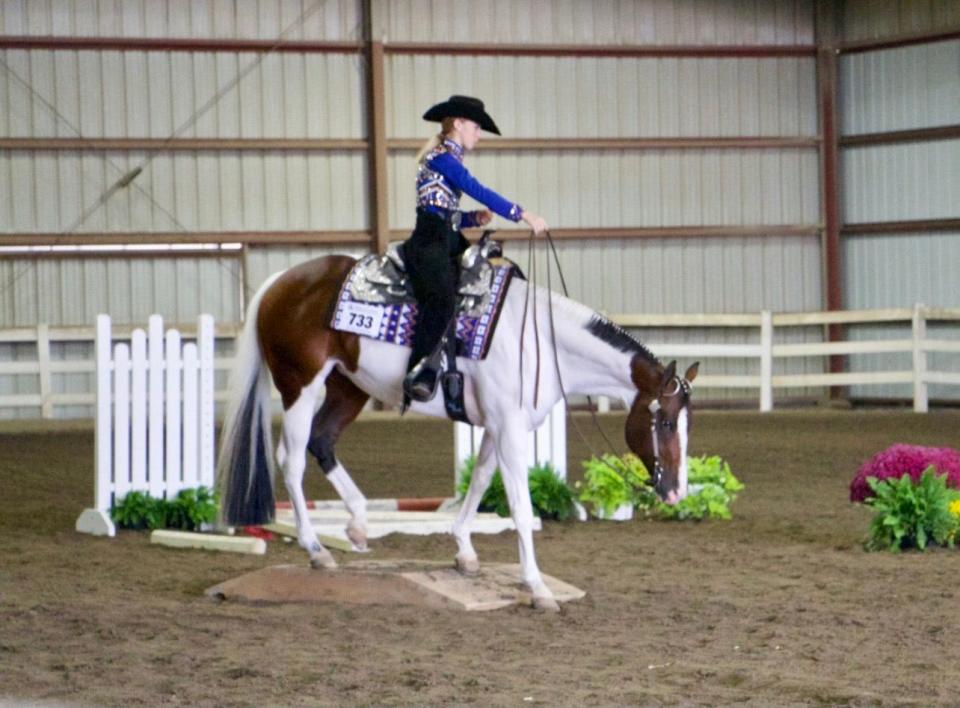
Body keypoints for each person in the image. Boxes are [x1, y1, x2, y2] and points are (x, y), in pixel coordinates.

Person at [401, 94, 548, 402]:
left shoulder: (447, 159)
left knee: (484, 278)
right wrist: (522, 214)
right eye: (476, 127)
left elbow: (440, 208)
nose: (478, 134)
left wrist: (470, 218)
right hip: (430, 240)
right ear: (458, 124)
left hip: (446, 235)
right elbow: (475, 189)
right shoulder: (442, 158)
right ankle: (420, 368)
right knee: (441, 298)